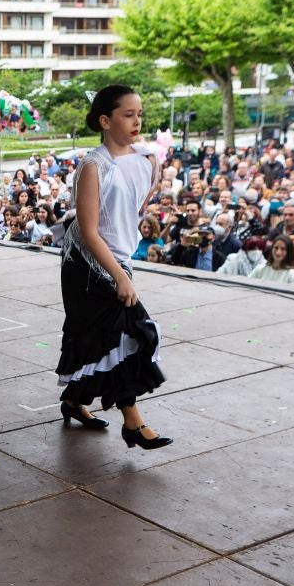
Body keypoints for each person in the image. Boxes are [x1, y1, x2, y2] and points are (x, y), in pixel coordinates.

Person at [56, 85, 170, 449]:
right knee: (127, 335)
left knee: (101, 341)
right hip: (87, 265)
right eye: (128, 114)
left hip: (119, 257)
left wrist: (155, 170)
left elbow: (135, 208)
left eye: (140, 114)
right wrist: (120, 276)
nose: (137, 121)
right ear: (105, 120)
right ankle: (133, 423)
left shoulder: (144, 158)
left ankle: (74, 402)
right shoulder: (93, 166)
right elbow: (89, 232)